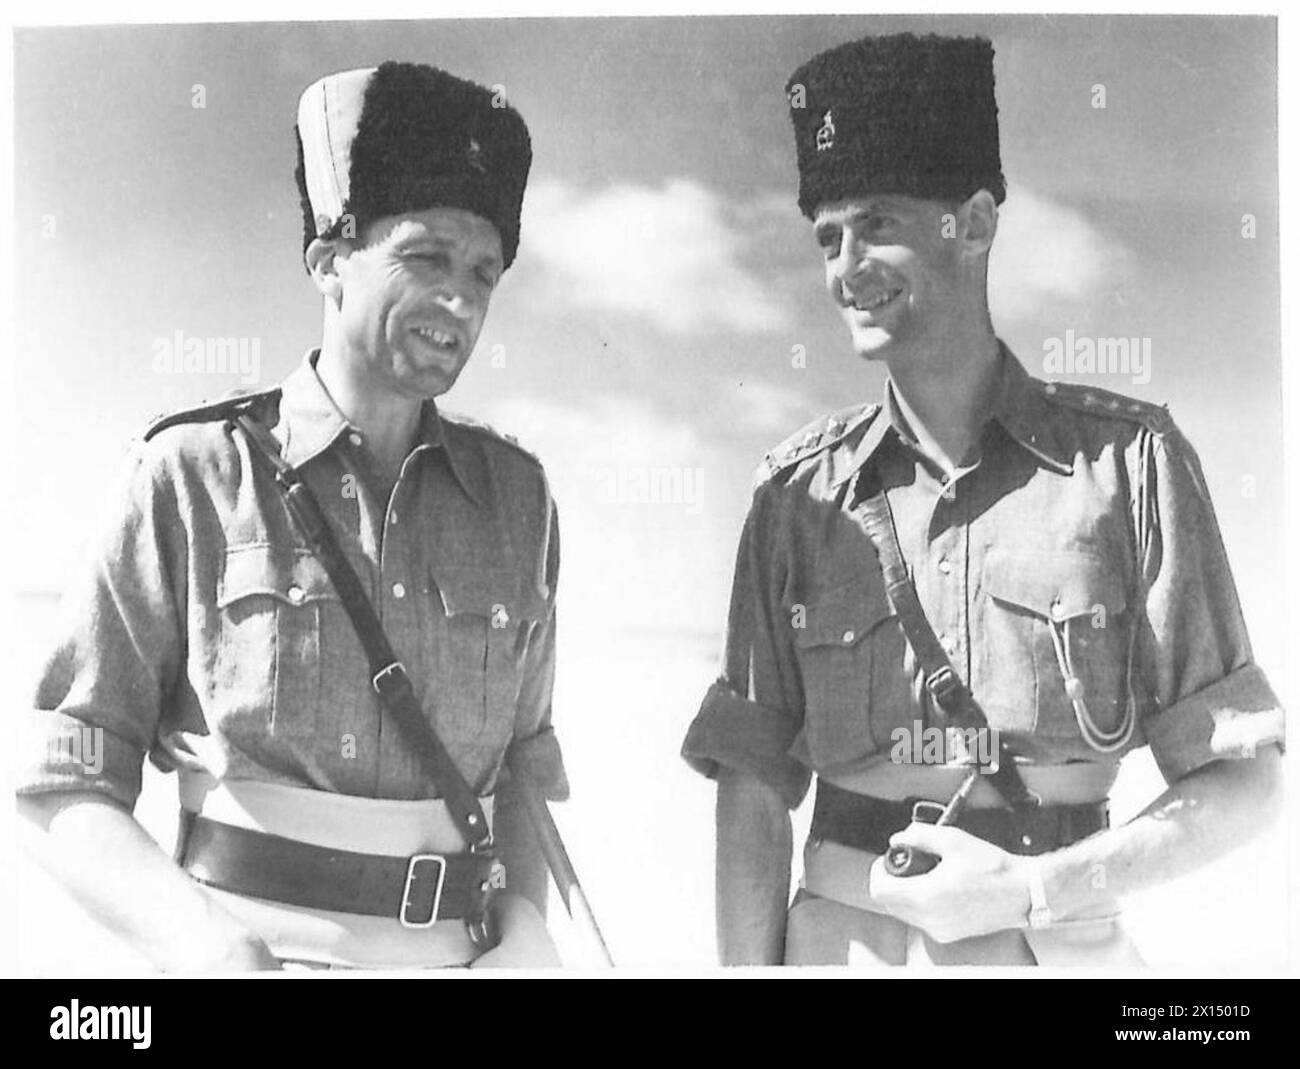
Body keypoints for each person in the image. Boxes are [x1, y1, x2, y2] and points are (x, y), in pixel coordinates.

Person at [681, 32, 1284, 966]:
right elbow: (754, 791)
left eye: (877, 223)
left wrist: (1037, 889)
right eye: (828, 238)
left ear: (974, 220)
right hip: (845, 947)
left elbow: (1243, 778)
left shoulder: (1129, 465)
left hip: (1061, 944)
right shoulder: (797, 498)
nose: (845, 268)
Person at [18, 61, 567, 970]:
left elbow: (522, 779)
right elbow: (57, 779)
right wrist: (210, 946)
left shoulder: (519, 502)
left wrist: (526, 933)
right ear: (328, 260)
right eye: (425, 256)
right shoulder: (191, 475)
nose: (461, 300)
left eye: (483, 270)